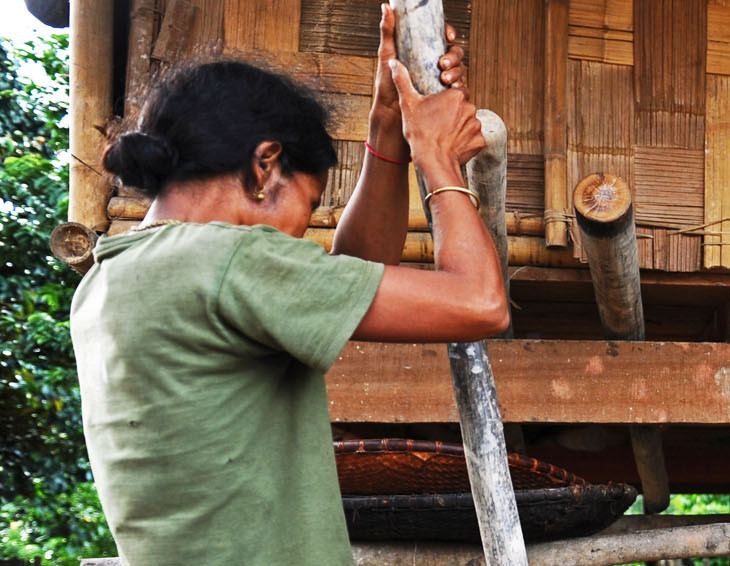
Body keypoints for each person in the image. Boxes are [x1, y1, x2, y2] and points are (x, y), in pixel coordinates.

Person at [71, 5, 501, 563]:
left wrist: (389, 133)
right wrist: (438, 160)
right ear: (264, 165)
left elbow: (343, 280)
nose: (303, 233)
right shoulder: (228, 261)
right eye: (310, 206)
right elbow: (481, 303)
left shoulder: (114, 276)